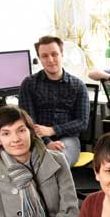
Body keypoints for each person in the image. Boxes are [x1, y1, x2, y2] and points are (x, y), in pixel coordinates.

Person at [19, 35, 89, 167]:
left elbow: (82, 122)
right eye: (44, 56)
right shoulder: (29, 84)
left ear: (62, 54)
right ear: (39, 59)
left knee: (58, 158)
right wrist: (47, 142)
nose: (50, 60)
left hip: (69, 140)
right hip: (37, 139)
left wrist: (53, 130)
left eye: (54, 54)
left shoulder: (78, 85)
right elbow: (28, 121)